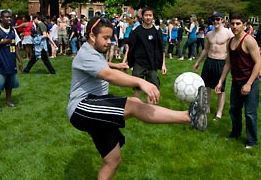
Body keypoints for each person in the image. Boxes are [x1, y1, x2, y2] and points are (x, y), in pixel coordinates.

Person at [67, 16, 208, 180]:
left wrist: (116, 65)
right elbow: (108, 75)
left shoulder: (93, 52)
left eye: (110, 37)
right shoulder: (86, 54)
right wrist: (141, 82)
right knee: (133, 103)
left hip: (94, 107)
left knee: (112, 159)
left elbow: (104, 66)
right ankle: (189, 116)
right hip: (82, 107)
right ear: (92, 36)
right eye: (105, 38)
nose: (109, 42)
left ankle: (190, 117)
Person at [215, 13, 261, 149]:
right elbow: (228, 63)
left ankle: (252, 141)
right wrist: (220, 81)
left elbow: (258, 63)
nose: (235, 26)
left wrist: (249, 83)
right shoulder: (230, 41)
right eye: (233, 23)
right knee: (234, 110)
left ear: (244, 25)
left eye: (238, 24)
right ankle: (235, 134)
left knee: (250, 113)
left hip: (250, 82)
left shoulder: (249, 41)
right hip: (236, 81)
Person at [194, 12, 234, 120]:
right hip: (209, 61)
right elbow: (206, 49)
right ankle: (207, 107)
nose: (215, 21)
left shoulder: (228, 34)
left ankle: (219, 112)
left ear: (222, 20)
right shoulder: (209, 34)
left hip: (221, 62)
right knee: (206, 86)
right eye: (213, 20)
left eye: (217, 19)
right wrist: (198, 62)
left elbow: (232, 50)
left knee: (220, 88)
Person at [128, 6, 167, 101]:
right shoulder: (137, 31)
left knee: (153, 89)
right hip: (139, 63)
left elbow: (161, 49)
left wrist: (163, 64)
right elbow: (130, 47)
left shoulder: (157, 31)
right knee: (137, 87)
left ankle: (150, 111)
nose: (148, 17)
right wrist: (129, 62)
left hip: (152, 64)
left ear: (153, 17)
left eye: (150, 15)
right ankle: (136, 108)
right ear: (142, 16)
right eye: (146, 15)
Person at [0, 10, 23, 112]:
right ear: (1, 18)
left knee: (10, 84)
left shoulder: (13, 30)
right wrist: (2, 42)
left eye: (10, 17)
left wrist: (20, 60)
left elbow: (15, 46)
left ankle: (8, 101)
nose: (9, 19)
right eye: (6, 17)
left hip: (11, 61)